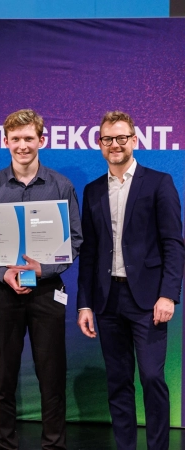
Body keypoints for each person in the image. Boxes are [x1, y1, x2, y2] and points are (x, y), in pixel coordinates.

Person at [0, 109, 82, 450]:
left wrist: (43, 270)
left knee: (51, 374)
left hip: (47, 292)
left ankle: (53, 445)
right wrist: (2, 273)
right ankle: (5, 444)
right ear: (5, 142)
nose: (22, 145)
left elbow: (75, 240)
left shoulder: (61, 185)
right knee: (2, 375)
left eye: (29, 138)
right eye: (15, 139)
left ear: (41, 140)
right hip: (3, 292)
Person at [77, 111, 184, 450]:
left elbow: (173, 243)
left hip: (149, 301)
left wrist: (168, 294)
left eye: (122, 138)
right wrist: (84, 303)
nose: (115, 144)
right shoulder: (93, 190)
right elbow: (90, 253)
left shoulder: (159, 182)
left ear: (134, 141)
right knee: (118, 381)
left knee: (152, 378)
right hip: (107, 301)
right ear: (99, 144)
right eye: (108, 139)